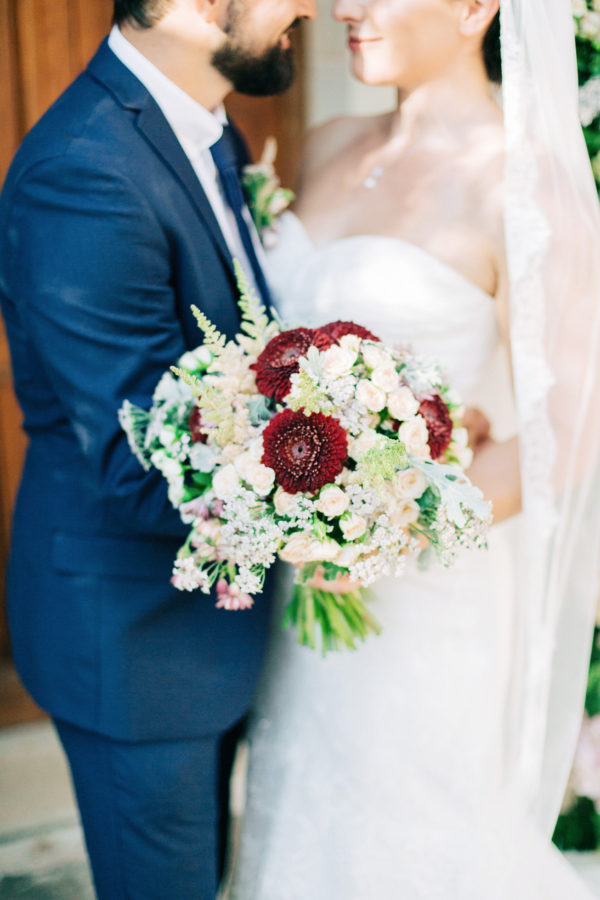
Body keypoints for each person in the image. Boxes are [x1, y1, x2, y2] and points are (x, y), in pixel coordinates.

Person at [230, 0, 600, 897]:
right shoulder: (324, 144)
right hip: (300, 588)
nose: (346, 10)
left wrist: (374, 530)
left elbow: (571, 433)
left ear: (477, 8)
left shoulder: (525, 183)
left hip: (434, 599)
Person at [0, 0, 315, 897]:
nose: (304, 6)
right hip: (134, 647)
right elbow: (144, 460)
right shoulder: (85, 172)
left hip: (210, 633)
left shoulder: (214, 136)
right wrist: (344, 510)